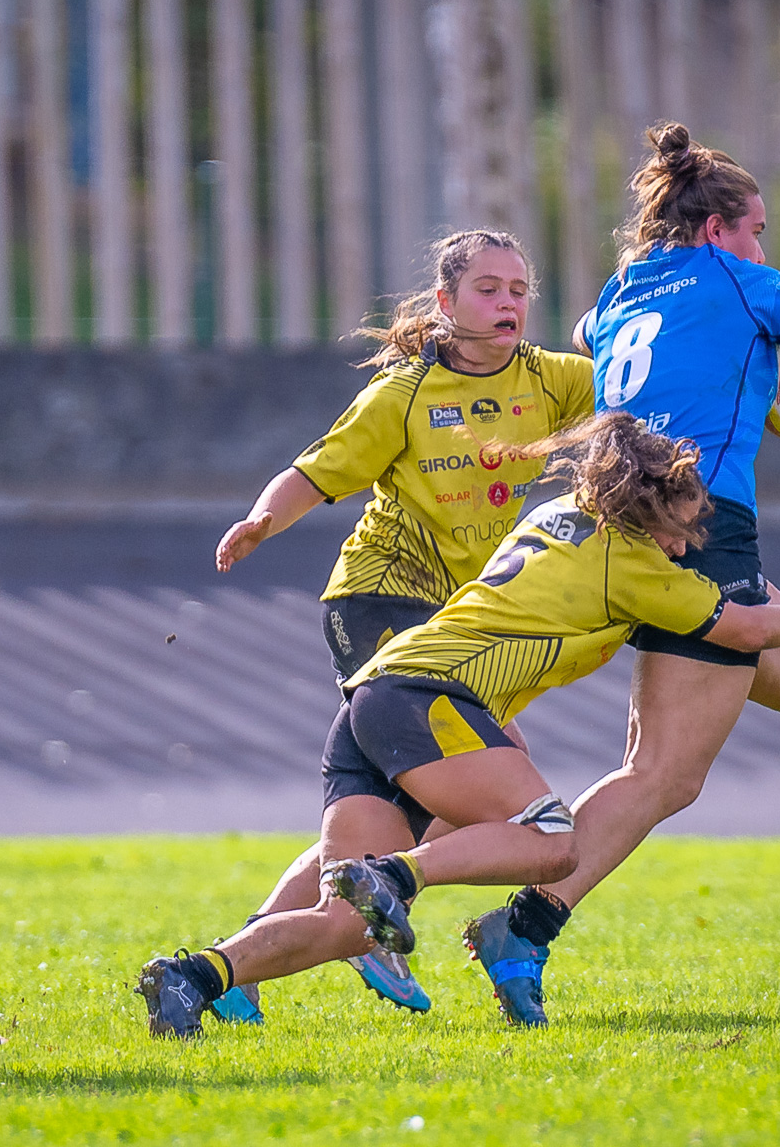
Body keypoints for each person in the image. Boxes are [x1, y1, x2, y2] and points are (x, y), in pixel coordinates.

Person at [137, 412, 780, 1038]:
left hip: (375, 698)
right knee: (553, 842)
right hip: (431, 697)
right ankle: (395, 874)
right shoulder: (631, 564)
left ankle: (192, 976)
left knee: (345, 925)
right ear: (643, 512)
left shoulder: (559, 514)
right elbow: (746, 629)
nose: (685, 550)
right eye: (679, 533)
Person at [464, 122, 780, 1027]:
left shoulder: (617, 292)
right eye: (756, 231)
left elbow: (600, 342)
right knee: (665, 773)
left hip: (622, 517)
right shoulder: (748, 283)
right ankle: (525, 925)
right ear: (716, 230)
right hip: (703, 527)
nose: (762, 248)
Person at [209, 229, 593, 1019]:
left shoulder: (550, 380)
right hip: (377, 602)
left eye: (519, 290)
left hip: (457, 619)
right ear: (446, 302)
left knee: (403, 806)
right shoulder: (405, 394)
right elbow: (313, 472)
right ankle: (373, 917)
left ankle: (253, 954)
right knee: (481, 780)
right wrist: (260, 520)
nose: (508, 303)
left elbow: (640, 387)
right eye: (488, 289)